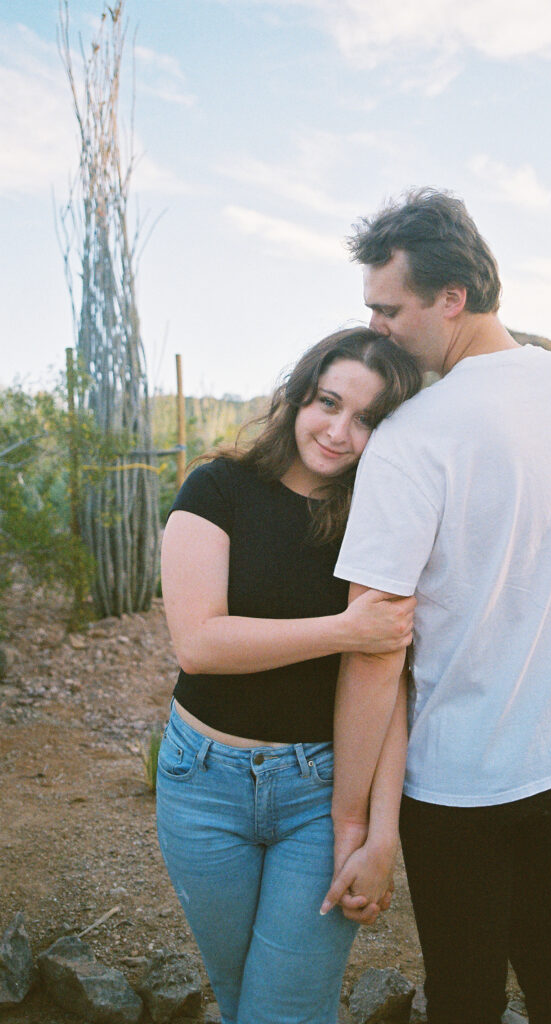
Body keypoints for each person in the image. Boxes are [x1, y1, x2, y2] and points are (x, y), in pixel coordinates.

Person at [321, 190, 551, 1024]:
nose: (375, 327)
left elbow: (376, 642)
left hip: (461, 778)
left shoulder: (414, 437)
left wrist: (354, 819)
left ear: (453, 298)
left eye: (387, 307)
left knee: (466, 990)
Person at [156, 326, 422, 1024]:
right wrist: (343, 631)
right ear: (297, 396)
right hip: (201, 785)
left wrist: (381, 830)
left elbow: (388, 681)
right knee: (243, 994)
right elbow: (198, 643)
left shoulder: (379, 519)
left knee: (286, 1010)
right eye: (328, 402)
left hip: (322, 794)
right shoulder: (218, 487)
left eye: (367, 419)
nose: (339, 431)